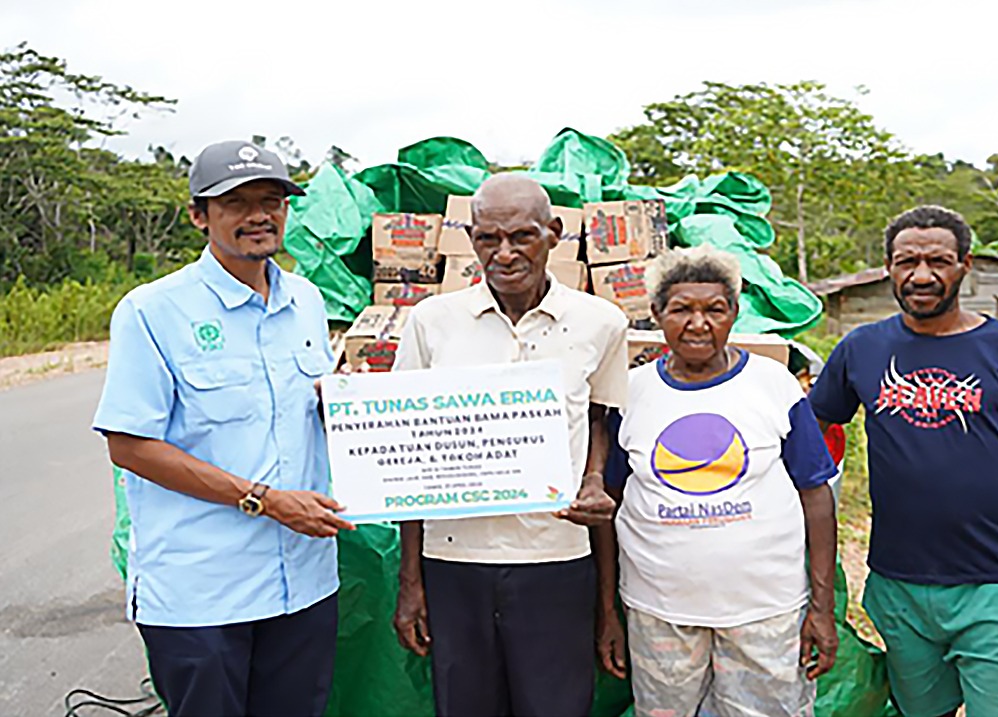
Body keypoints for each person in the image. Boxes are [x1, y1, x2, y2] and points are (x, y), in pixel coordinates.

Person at [92, 140, 353, 716]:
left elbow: (310, 412)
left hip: (303, 586)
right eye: (235, 202)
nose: (259, 215)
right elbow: (131, 447)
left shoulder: (307, 302)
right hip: (201, 596)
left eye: (272, 200)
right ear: (198, 215)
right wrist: (266, 500)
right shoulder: (152, 311)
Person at [808, 205, 998, 717]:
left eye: (939, 261)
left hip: (997, 587)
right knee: (920, 710)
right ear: (889, 267)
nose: (922, 275)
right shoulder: (862, 349)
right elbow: (812, 432)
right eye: (907, 261)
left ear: (965, 266)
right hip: (899, 583)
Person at [390, 174, 628, 717]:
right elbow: (406, 450)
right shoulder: (432, 321)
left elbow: (598, 417)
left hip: (557, 556)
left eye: (521, 236)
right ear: (471, 238)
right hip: (452, 558)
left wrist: (592, 480)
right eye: (488, 238)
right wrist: (411, 580)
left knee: (556, 706)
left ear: (555, 234)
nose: (504, 253)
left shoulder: (600, 322)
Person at [600, 244, 840, 717]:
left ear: (734, 312)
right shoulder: (631, 392)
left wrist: (822, 608)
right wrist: (606, 608)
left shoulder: (773, 385)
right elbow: (611, 502)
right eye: (681, 309)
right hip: (659, 612)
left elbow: (816, 497)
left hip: (766, 611)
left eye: (714, 309)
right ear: (656, 314)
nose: (698, 323)